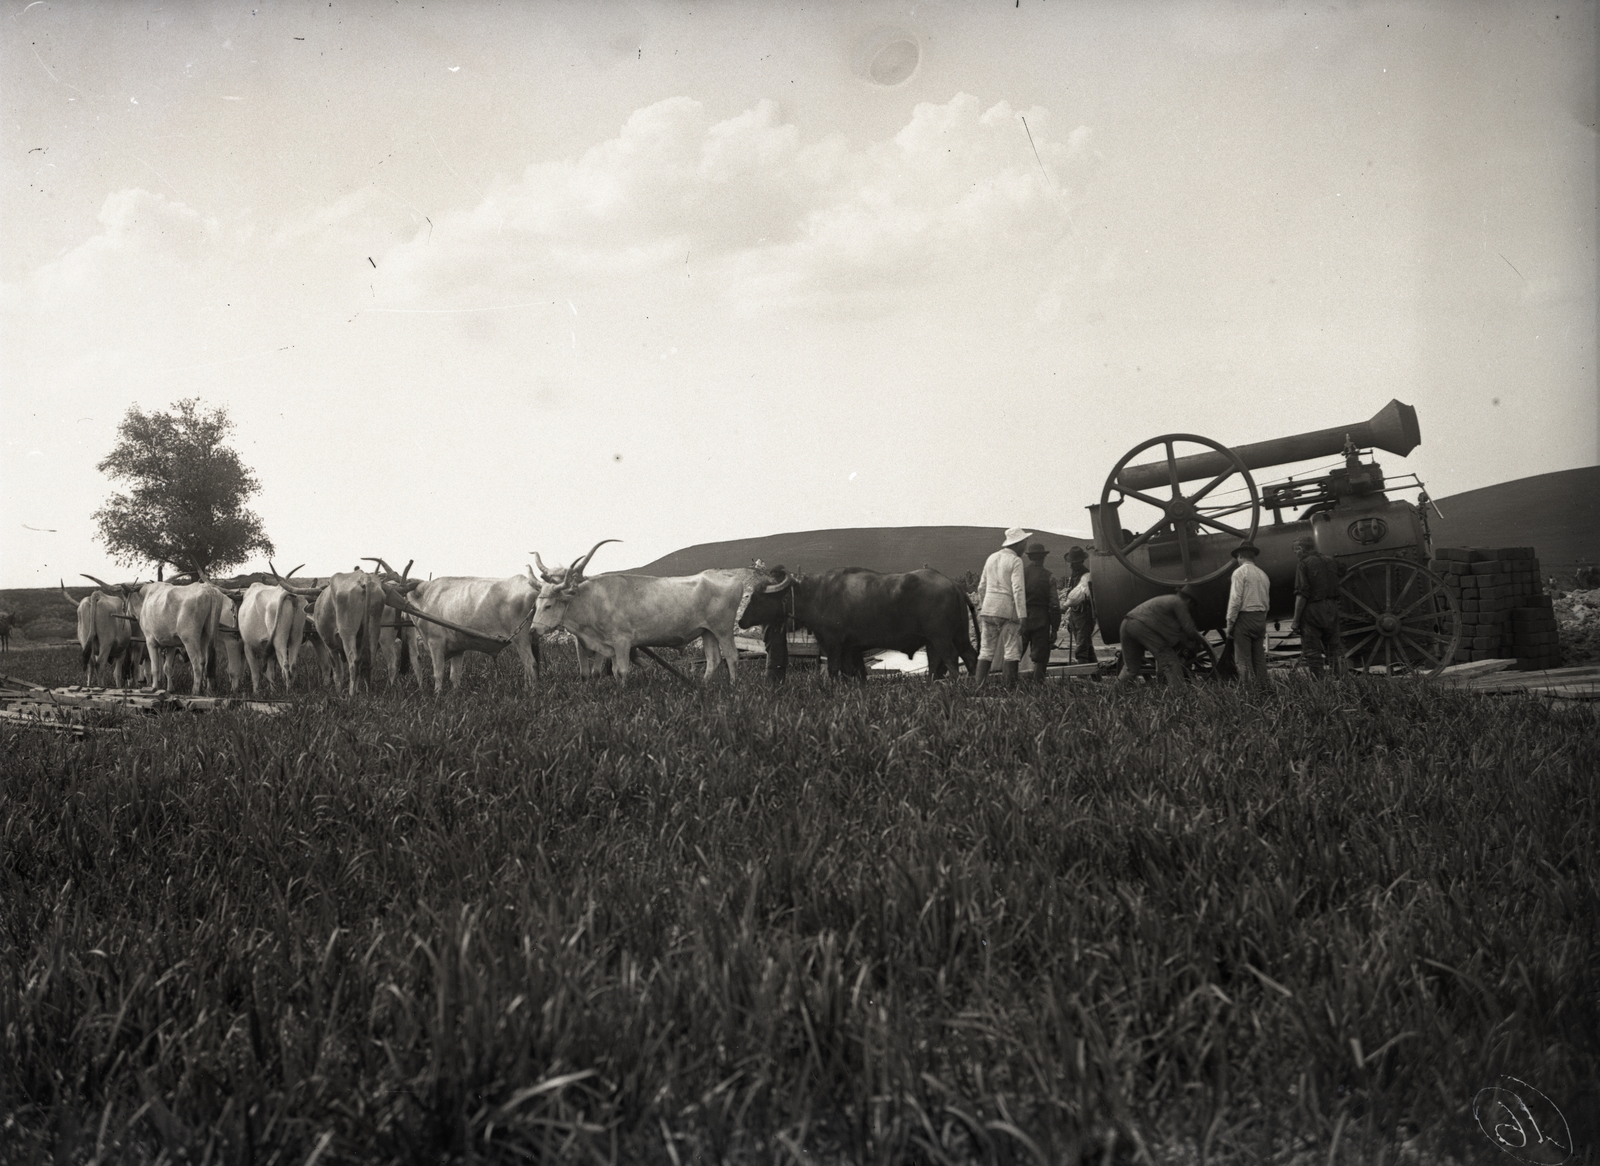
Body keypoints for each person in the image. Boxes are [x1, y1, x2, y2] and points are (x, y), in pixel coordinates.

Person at [1117, 587, 1210, 687]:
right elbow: (1189, 629)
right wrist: (1202, 642)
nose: (1191, 608)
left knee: (1130, 668)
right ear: (1189, 601)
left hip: (1126, 624)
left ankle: (1114, 693)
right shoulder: (1178, 602)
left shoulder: (1167, 600)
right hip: (1141, 627)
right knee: (1171, 662)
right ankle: (1178, 696)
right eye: (1192, 605)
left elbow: (1174, 631)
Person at [975, 527, 1031, 688]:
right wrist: (1023, 616)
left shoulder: (992, 558)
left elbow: (981, 587)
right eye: (1024, 543)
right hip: (1007, 612)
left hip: (988, 610)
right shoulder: (1015, 561)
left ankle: (979, 688)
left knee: (986, 650)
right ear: (1018, 544)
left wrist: (985, 605)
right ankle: (1009, 689)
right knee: (1011, 650)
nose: (1025, 547)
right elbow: (1018, 589)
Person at [1291, 535, 1345, 677]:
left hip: (1313, 610)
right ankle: (1344, 684)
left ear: (1301, 549)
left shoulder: (1303, 564)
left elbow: (1302, 594)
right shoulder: (1331, 561)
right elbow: (1343, 570)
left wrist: (1296, 620)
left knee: (1312, 652)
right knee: (1335, 649)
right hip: (1332, 608)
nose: (1295, 553)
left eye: (1296, 550)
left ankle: (1320, 687)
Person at [1224, 541, 1272, 688]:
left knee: (1243, 660)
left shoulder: (1239, 573)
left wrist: (1230, 623)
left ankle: (1251, 693)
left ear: (1240, 556)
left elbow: (1235, 600)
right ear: (1253, 557)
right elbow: (1267, 601)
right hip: (1260, 618)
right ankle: (1264, 689)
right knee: (1259, 658)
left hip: (1244, 618)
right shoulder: (1263, 574)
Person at [1020, 543, 1062, 683]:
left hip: (1022, 618)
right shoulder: (1049, 577)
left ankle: (1010, 685)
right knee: (1041, 657)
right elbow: (1055, 605)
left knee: (1015, 654)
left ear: (1029, 557)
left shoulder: (1021, 574)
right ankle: (1037, 688)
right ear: (1043, 557)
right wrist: (1054, 628)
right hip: (1041, 619)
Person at [1063, 546, 1097, 664]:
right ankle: (1095, 677)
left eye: (1074, 563)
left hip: (1084, 615)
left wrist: (1065, 606)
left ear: (1081, 561)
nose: (1071, 565)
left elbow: (1077, 595)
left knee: (1082, 647)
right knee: (1087, 646)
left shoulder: (1086, 575)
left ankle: (1082, 678)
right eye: (1071, 563)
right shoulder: (1074, 575)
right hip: (1076, 614)